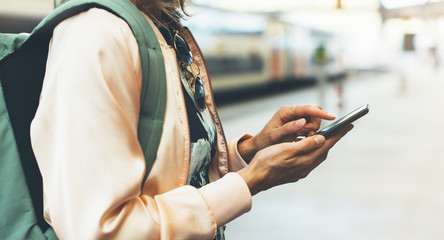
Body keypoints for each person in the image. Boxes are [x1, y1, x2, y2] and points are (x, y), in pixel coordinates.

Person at [30, 0, 352, 239]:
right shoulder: (95, 34)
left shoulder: (161, 30)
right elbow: (102, 231)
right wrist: (253, 180)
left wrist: (252, 151)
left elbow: (181, 175)